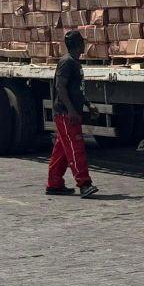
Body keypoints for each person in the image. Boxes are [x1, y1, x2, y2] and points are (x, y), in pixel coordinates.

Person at [46, 30, 99, 197]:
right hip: (65, 114)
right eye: (82, 42)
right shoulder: (66, 62)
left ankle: (54, 184)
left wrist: (88, 104)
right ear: (78, 45)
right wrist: (70, 110)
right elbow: (60, 87)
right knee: (76, 148)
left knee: (61, 151)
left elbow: (78, 90)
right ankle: (84, 183)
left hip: (71, 112)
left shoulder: (75, 62)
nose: (85, 44)